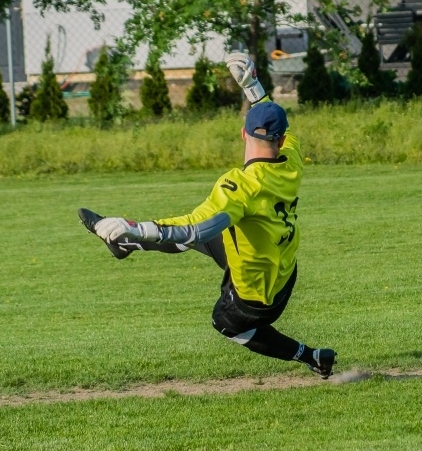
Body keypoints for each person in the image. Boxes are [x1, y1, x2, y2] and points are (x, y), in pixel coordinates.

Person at [78, 53, 336, 379]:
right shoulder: (292, 157)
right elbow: (274, 117)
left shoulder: (239, 186)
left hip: (256, 296)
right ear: (282, 141)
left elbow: (196, 229)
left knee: (225, 323)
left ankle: (312, 357)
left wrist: (134, 227)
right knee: (213, 238)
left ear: (242, 134)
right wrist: (252, 85)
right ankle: (124, 246)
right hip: (283, 271)